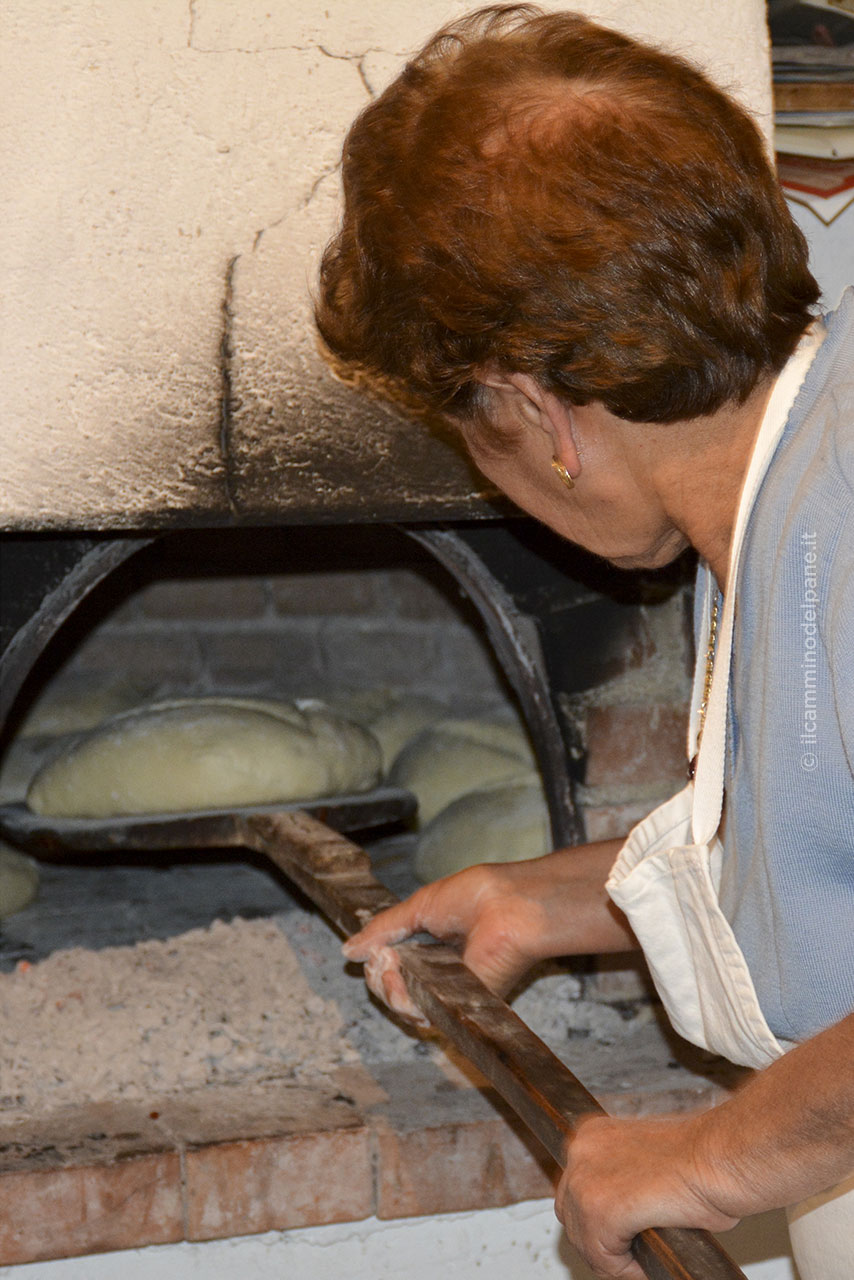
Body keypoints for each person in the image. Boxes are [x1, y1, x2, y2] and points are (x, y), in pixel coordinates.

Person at [314, 6, 854, 1277]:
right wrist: (555, 897)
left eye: (475, 441)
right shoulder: (777, 476)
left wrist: (711, 1150)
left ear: (537, 411)